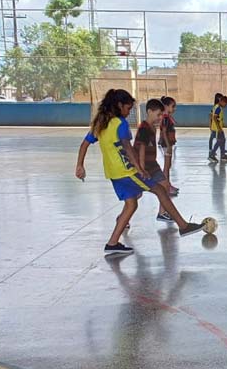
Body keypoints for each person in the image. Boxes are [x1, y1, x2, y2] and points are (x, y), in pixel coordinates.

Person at [75, 89, 203, 255]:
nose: (129, 113)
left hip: (113, 174)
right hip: (127, 171)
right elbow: (128, 148)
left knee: (131, 204)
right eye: (128, 108)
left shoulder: (101, 123)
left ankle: (112, 243)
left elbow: (84, 144)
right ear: (119, 105)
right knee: (160, 190)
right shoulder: (120, 124)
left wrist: (80, 165)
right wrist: (140, 169)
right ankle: (183, 226)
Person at [135, 99, 175, 222]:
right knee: (135, 196)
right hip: (144, 167)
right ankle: (122, 219)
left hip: (153, 165)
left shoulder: (152, 127)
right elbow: (141, 148)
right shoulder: (144, 128)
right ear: (149, 111)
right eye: (158, 115)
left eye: (161, 115)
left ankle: (162, 213)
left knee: (165, 185)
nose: (159, 118)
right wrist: (141, 168)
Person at [158, 96, 179, 196]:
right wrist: (168, 145)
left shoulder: (167, 117)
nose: (174, 109)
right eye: (173, 106)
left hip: (169, 144)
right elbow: (164, 131)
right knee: (166, 166)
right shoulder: (165, 118)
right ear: (166, 106)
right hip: (166, 145)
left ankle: (168, 184)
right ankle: (166, 186)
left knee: (168, 165)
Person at [209, 95, 227, 162]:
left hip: (218, 128)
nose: (226, 106)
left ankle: (223, 155)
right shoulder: (218, 108)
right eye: (225, 104)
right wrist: (218, 127)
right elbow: (215, 118)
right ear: (222, 101)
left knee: (223, 140)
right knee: (219, 141)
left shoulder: (216, 107)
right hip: (217, 129)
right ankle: (211, 155)